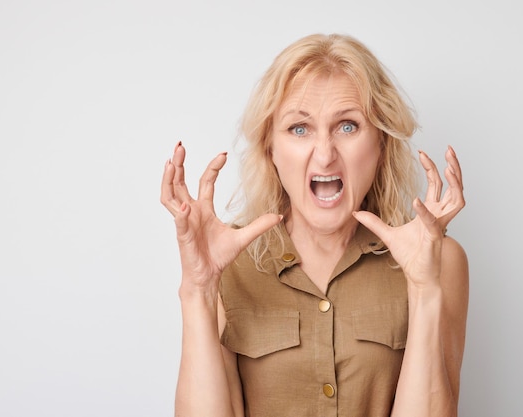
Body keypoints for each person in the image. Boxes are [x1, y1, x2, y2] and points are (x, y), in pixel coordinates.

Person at [160, 33, 468, 417]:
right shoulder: (228, 266)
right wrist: (198, 291)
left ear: (381, 145)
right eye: (299, 129)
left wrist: (424, 290)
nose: (324, 155)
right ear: (270, 149)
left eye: (348, 126)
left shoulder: (439, 259)